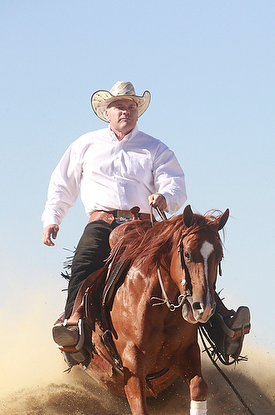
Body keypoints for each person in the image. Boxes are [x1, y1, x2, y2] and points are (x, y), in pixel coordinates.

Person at [42, 80, 250, 365]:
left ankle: (224, 326)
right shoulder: (84, 145)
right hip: (101, 223)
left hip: (143, 228)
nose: (125, 111)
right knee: (83, 265)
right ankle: (73, 329)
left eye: (131, 106)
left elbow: (174, 184)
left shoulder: (155, 148)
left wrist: (165, 197)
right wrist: (52, 219)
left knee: (184, 266)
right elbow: (61, 185)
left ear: (137, 112)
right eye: (119, 106)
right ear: (106, 112)